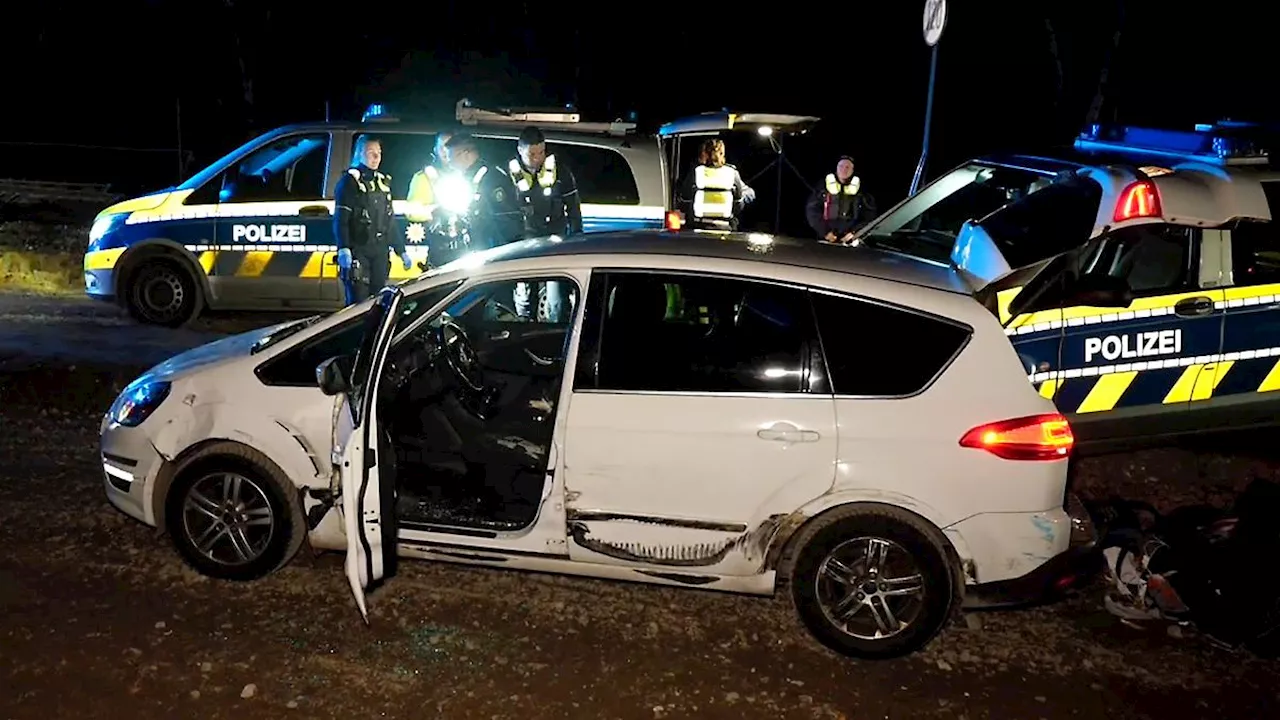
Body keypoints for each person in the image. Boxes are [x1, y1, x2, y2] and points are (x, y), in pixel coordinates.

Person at [507, 126, 582, 322]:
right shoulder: (507, 174)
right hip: (523, 242)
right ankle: (525, 332)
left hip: (554, 241)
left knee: (557, 297)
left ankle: (556, 337)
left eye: (541, 152)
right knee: (525, 295)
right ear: (520, 149)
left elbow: (574, 210)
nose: (537, 158)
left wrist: (576, 239)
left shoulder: (561, 172)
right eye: (532, 153)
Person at [334, 135, 411, 304]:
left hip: (380, 251)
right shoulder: (349, 182)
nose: (376, 157)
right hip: (359, 250)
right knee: (358, 304)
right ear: (359, 155)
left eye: (379, 153)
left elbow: (389, 221)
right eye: (371, 153)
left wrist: (401, 250)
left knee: (379, 302)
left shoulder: (383, 182)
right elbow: (341, 220)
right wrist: (344, 248)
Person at [442, 133, 524, 253]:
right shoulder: (468, 179)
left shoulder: (492, 178)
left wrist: (502, 254)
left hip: (495, 252)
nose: (449, 164)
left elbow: (506, 220)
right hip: (478, 249)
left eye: (451, 159)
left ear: (465, 154)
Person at [679, 138, 755, 230]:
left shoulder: (696, 172)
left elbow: (684, 200)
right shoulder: (731, 173)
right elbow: (738, 204)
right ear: (722, 154)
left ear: (705, 153)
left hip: (698, 226)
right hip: (725, 227)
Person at [806, 155, 875, 244]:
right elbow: (812, 211)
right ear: (836, 168)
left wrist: (855, 232)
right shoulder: (823, 187)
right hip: (826, 238)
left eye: (847, 167)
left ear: (852, 170)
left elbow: (870, 215)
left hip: (851, 239)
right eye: (841, 166)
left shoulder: (862, 191)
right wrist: (825, 232)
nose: (844, 169)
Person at [405, 130, 454, 223]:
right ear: (435, 150)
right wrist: (434, 211)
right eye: (442, 146)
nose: (445, 150)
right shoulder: (423, 177)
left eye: (449, 145)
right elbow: (411, 213)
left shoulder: (465, 175)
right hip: (434, 233)